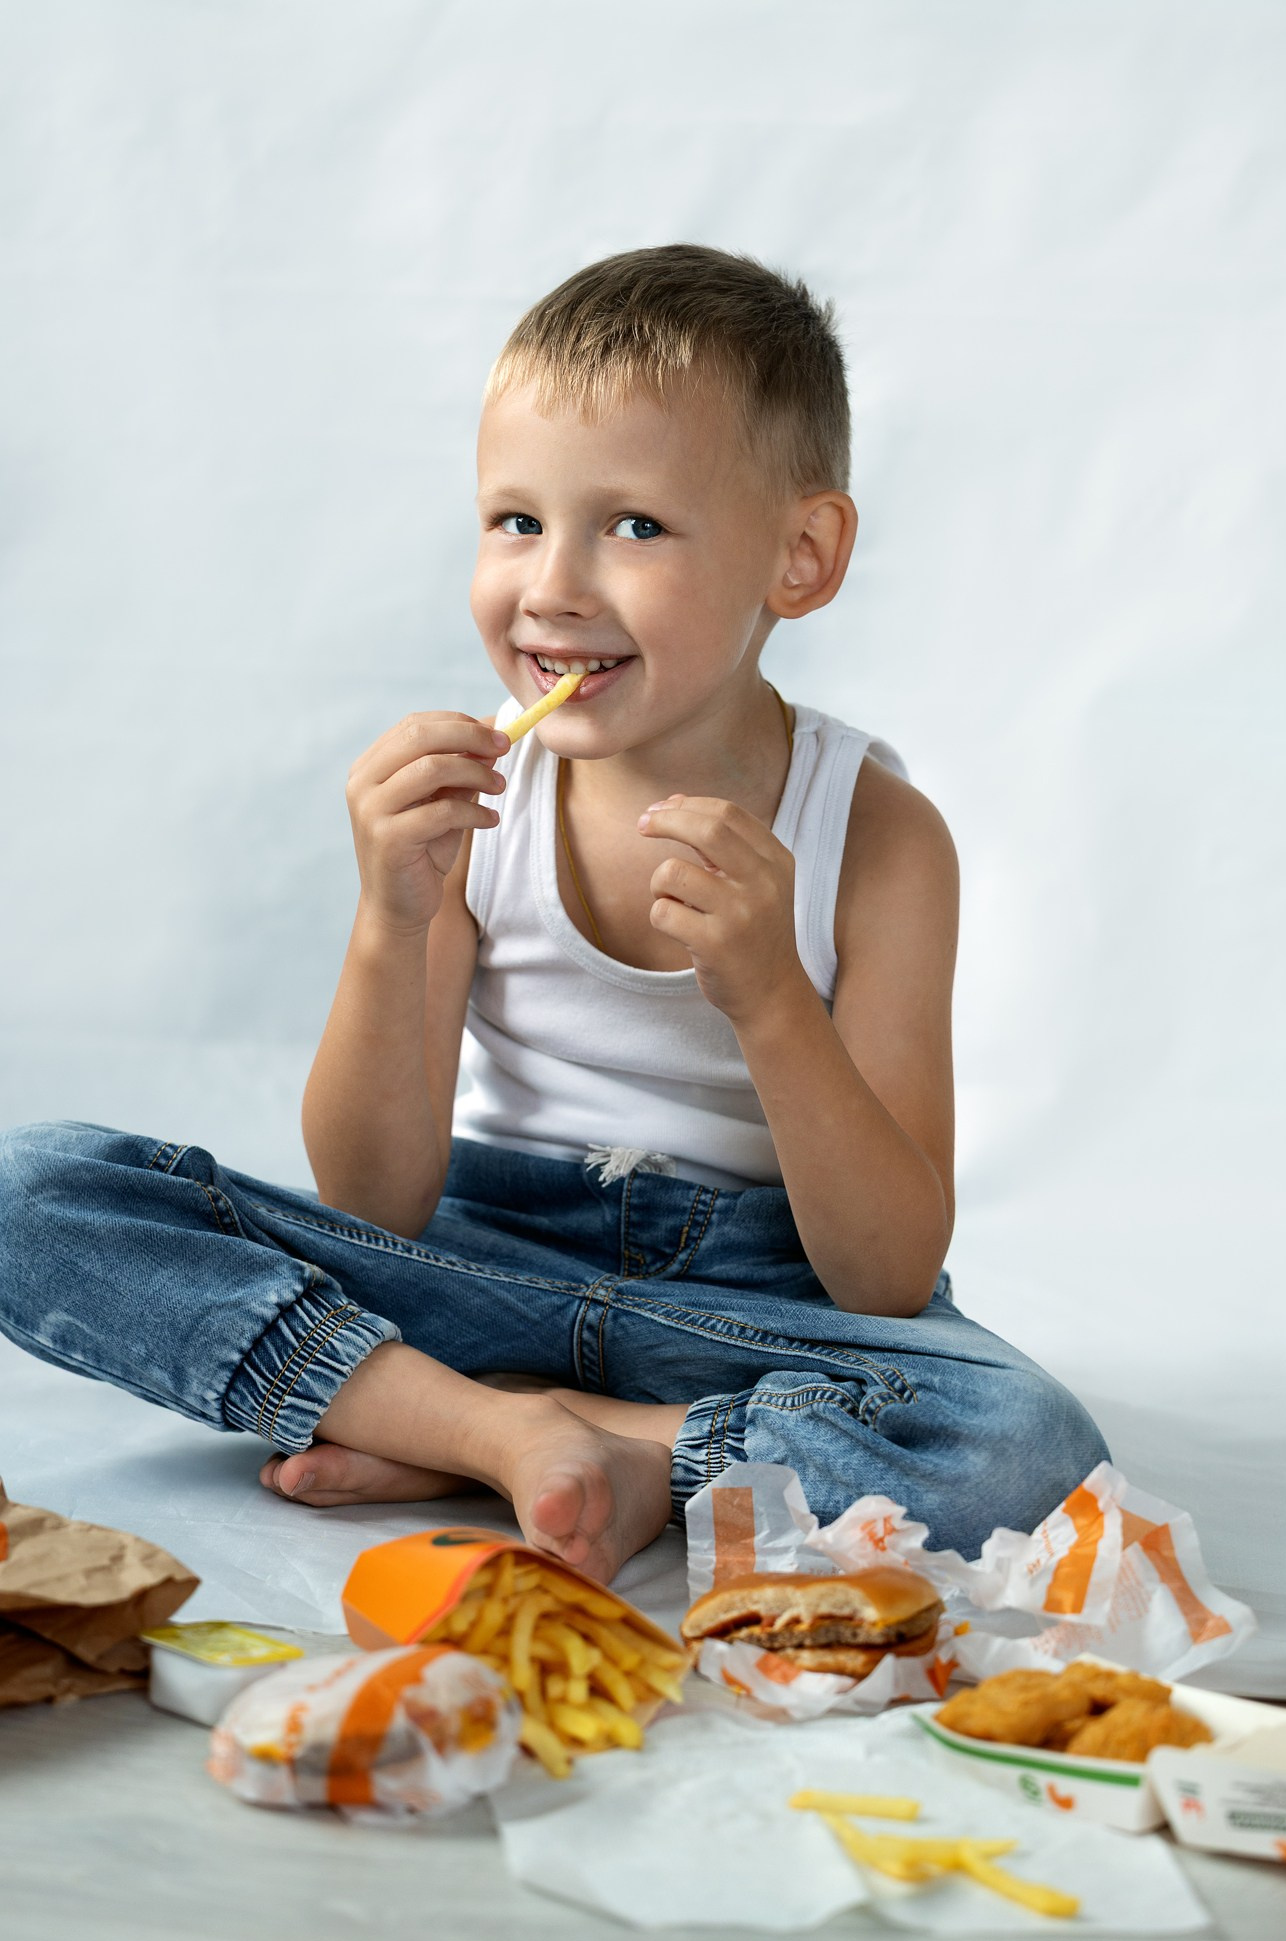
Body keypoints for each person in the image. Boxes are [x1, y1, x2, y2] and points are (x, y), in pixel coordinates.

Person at [0, 246, 1107, 1583]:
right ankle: (500, 1431)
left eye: (632, 526)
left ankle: (538, 1436)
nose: (553, 586)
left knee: (1022, 1443)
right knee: (31, 1189)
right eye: (515, 521)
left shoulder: (873, 840)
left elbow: (879, 1276)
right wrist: (389, 923)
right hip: (484, 1258)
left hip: (758, 1301)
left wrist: (766, 996)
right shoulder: (480, 803)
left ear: (799, 556)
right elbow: (376, 1203)